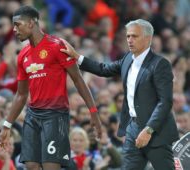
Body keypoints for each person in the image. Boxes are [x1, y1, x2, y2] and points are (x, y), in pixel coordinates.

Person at [61, 19, 179, 170]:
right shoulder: (127, 59)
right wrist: (78, 57)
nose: (129, 40)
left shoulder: (160, 64)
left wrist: (149, 130)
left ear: (148, 38)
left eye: (134, 36)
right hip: (133, 128)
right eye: (128, 36)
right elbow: (103, 69)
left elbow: (165, 102)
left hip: (156, 131)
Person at [0, 5, 102, 170]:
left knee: (50, 167)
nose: (14, 29)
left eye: (18, 24)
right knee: (31, 166)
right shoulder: (23, 55)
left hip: (56, 115)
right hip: (33, 115)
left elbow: (78, 80)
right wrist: (6, 125)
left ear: (32, 23)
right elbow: (21, 94)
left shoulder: (57, 45)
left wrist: (93, 112)